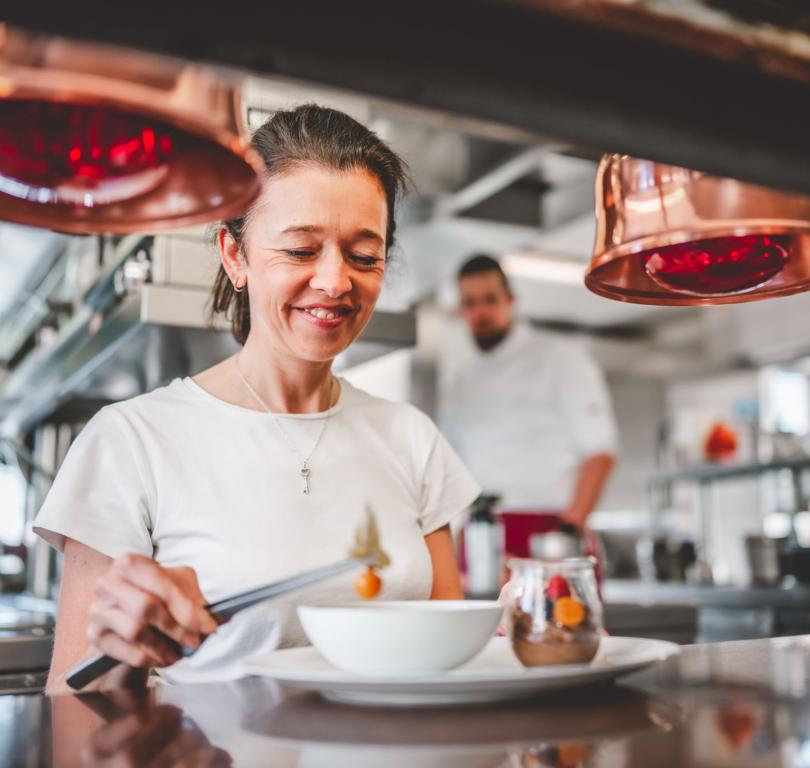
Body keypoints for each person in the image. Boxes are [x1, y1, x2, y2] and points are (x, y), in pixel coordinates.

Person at [36, 105, 480, 692]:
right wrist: (125, 656)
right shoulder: (131, 442)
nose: (335, 281)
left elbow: (447, 663)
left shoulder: (411, 438)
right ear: (234, 255)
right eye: (300, 250)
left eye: (364, 255)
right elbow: (72, 703)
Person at [439, 255, 618, 558]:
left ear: (511, 300)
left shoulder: (561, 359)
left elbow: (600, 452)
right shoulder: (460, 384)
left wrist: (571, 527)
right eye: (470, 303)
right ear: (460, 310)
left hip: (552, 534)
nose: (481, 312)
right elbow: (451, 471)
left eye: (490, 299)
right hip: (480, 537)